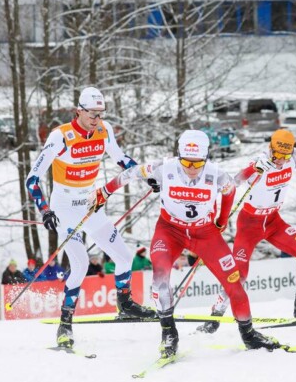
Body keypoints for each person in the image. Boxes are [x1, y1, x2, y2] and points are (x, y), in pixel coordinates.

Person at [94, 129, 279, 357]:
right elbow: (130, 173)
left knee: (234, 282)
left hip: (204, 233)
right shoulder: (165, 167)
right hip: (170, 231)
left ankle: (248, 334)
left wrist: (221, 220)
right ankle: (169, 333)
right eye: (186, 163)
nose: (191, 169)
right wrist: (105, 191)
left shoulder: (215, 174)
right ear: (179, 156)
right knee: (160, 279)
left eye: (197, 164)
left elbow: (229, 190)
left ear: (206, 158)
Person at [25, 86, 155, 348]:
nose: (96, 119)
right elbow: (32, 179)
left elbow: (121, 159)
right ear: (79, 111)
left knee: (124, 257)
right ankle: (65, 325)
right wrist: (45, 210)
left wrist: (147, 176)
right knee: (81, 264)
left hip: (90, 204)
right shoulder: (60, 136)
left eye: (100, 114)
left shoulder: (104, 130)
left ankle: (125, 303)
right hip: (64, 208)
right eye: (92, 114)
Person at [197, 124, 296, 334]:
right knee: (239, 274)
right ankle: (214, 317)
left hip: (273, 222)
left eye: (284, 156)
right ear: (271, 148)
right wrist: (252, 170)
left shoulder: (295, 157)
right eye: (277, 154)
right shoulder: (260, 162)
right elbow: (232, 183)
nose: (280, 160)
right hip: (249, 224)